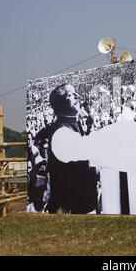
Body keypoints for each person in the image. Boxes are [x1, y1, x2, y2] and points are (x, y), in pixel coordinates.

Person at [46, 84, 98, 214]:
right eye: (71, 95)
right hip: (71, 208)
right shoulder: (61, 132)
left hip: (81, 203)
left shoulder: (73, 122)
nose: (77, 96)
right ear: (61, 104)